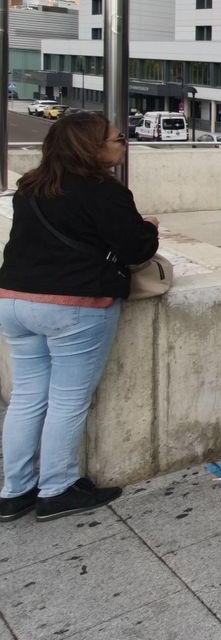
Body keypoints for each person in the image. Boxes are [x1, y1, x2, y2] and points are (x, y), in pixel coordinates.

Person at [0, 113, 158, 520]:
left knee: (27, 395)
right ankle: (57, 488)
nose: (123, 142)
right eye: (116, 137)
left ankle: (15, 490)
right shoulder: (103, 191)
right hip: (73, 305)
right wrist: (149, 227)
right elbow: (136, 249)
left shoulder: (30, 186)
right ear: (92, 147)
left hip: (14, 299)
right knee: (69, 400)